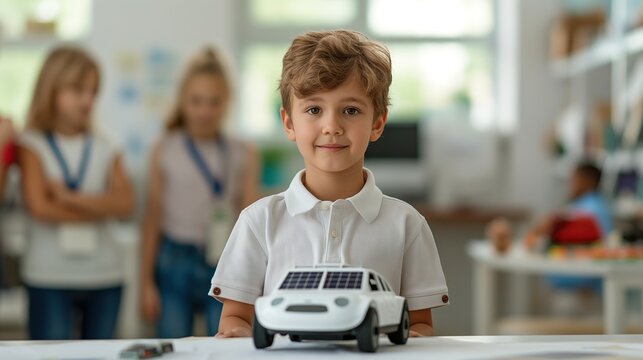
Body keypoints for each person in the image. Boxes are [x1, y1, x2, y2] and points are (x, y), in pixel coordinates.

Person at [211, 30, 449, 338]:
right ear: (288, 123)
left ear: (377, 123)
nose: (331, 127)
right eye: (314, 110)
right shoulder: (259, 221)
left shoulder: (407, 225)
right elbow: (234, 319)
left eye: (350, 110)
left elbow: (419, 325)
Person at [139, 47, 260, 338]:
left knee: (225, 345)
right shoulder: (164, 148)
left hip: (225, 261)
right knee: (173, 347)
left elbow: (253, 223)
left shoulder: (243, 152)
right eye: (196, 102)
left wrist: (255, 283)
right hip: (173, 261)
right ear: (182, 101)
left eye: (214, 102)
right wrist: (145, 283)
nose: (205, 111)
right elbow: (152, 217)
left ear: (227, 102)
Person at [18, 46, 134, 340]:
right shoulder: (31, 144)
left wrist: (68, 198)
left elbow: (126, 203)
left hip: (105, 275)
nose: (87, 100)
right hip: (49, 276)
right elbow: (40, 209)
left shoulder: (108, 143)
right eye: (77, 90)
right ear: (51, 88)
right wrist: (100, 206)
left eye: (93, 92)